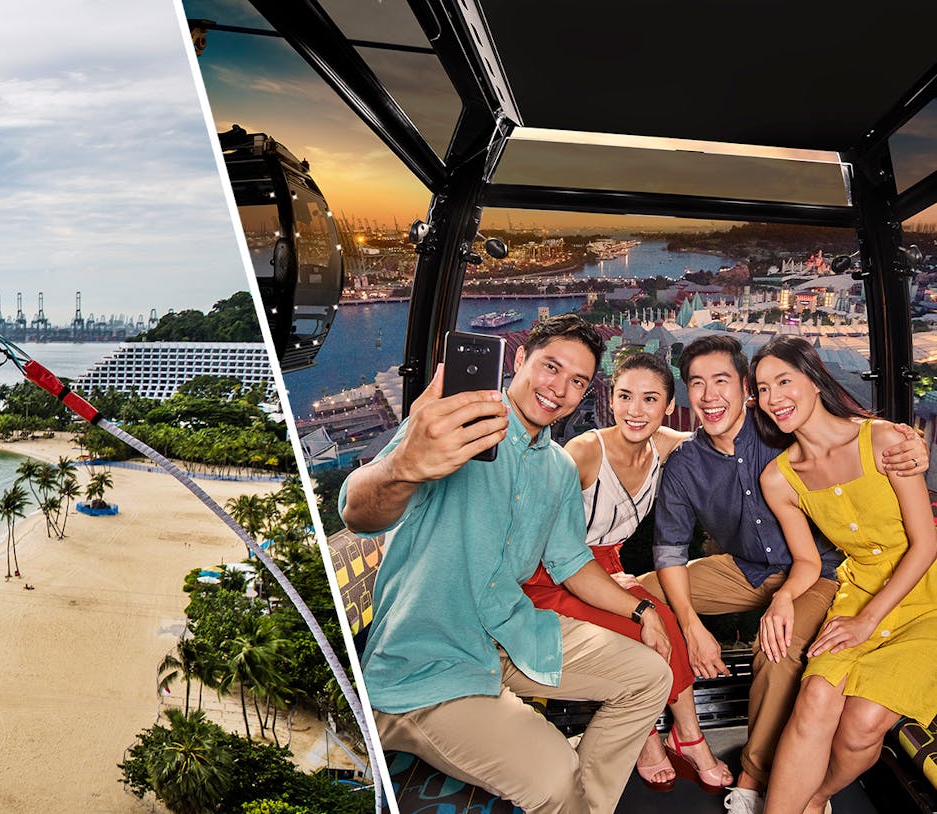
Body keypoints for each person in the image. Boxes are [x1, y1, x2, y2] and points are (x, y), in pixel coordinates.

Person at [340, 315, 673, 814]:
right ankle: (570, 794)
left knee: (652, 677)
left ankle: (585, 804)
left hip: (510, 634)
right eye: (550, 367)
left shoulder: (558, 467)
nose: (559, 389)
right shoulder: (456, 427)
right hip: (428, 662)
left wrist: (642, 613)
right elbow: (357, 512)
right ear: (519, 360)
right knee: (558, 776)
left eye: (578, 381)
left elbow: (572, 561)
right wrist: (403, 467)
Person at [640, 334, 929, 814]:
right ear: (685, 395)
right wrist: (691, 627)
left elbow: (846, 437)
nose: (710, 396)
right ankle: (662, 733)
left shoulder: (777, 426)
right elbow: (669, 550)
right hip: (745, 568)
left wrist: (910, 442)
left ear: (743, 389)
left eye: (722, 381)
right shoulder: (685, 464)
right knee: (629, 597)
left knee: (779, 648)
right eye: (697, 384)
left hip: (814, 571)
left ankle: (754, 777)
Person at [522, 352, 732, 793]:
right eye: (624, 397)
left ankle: (668, 734)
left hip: (609, 565)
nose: (636, 411)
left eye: (650, 399)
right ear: (610, 402)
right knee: (649, 625)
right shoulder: (582, 453)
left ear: (668, 405)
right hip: (552, 572)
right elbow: (532, 531)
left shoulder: (668, 446)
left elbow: (729, 432)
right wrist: (593, 573)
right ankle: (669, 737)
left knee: (664, 620)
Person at [750, 336, 937, 814]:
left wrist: (867, 622)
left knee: (862, 723)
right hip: (859, 593)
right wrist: (782, 599)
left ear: (814, 380)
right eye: (763, 389)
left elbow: (926, 545)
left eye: (784, 381)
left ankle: (815, 798)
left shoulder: (886, 440)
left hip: (926, 596)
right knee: (814, 697)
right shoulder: (779, 479)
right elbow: (808, 562)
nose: (773, 398)